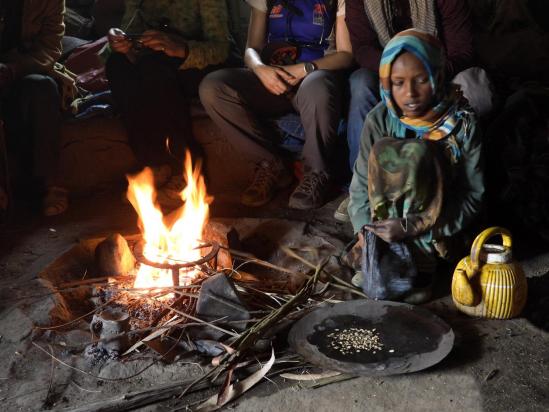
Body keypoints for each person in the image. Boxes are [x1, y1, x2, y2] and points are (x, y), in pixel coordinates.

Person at [348, 29, 484, 302]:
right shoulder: (379, 120)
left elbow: (472, 198)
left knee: (418, 155)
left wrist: (415, 226)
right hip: (384, 224)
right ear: (387, 83)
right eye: (397, 82)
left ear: (438, 75)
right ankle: (384, 257)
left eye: (421, 80)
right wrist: (366, 233)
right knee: (387, 151)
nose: (409, 93)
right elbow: (361, 187)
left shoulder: (461, 124)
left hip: (437, 226)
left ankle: (422, 263)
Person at [335, 0, 491, 221]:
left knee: (475, 89)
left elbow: (462, 49)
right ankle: (359, 188)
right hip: (386, 69)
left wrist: (424, 71)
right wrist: (397, 70)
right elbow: (361, 48)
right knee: (360, 84)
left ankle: (450, 178)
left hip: (439, 68)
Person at [199, 0, 353, 209]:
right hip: (270, 79)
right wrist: (260, 68)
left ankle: (316, 174)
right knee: (213, 87)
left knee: (319, 87)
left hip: (313, 75)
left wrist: (304, 69)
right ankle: (271, 165)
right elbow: (251, 49)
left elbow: (346, 55)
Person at [106, 0, 234, 198]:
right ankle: (152, 163)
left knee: (155, 69)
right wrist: (123, 44)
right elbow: (130, 33)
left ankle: (184, 167)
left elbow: (221, 49)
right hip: (152, 62)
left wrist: (182, 49)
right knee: (117, 64)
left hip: (196, 63)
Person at [1, 0, 68, 216]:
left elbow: (50, 49)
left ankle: (50, 186)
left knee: (43, 87)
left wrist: (12, 69)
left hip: (21, 70)